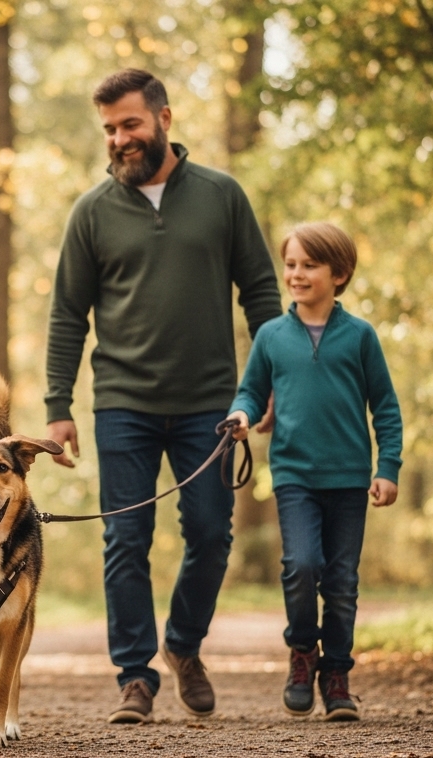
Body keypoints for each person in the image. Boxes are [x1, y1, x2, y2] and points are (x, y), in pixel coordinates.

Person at [45, 69, 282, 723]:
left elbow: (261, 291)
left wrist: (272, 383)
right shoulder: (92, 211)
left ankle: (182, 645)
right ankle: (134, 677)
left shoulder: (221, 196)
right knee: (126, 539)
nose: (120, 139)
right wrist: (57, 407)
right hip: (123, 402)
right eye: (111, 129)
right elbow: (68, 314)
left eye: (131, 125)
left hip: (212, 401)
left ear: (164, 120)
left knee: (210, 534)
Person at [226, 222, 402, 721]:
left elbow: (385, 408)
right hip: (294, 476)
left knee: (342, 581)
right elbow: (251, 392)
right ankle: (303, 652)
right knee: (302, 565)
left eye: (309, 265)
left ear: (339, 273)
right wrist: (242, 415)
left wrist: (387, 467)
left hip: (349, 478)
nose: (296, 274)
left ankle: (337, 676)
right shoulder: (272, 337)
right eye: (291, 264)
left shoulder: (361, 337)